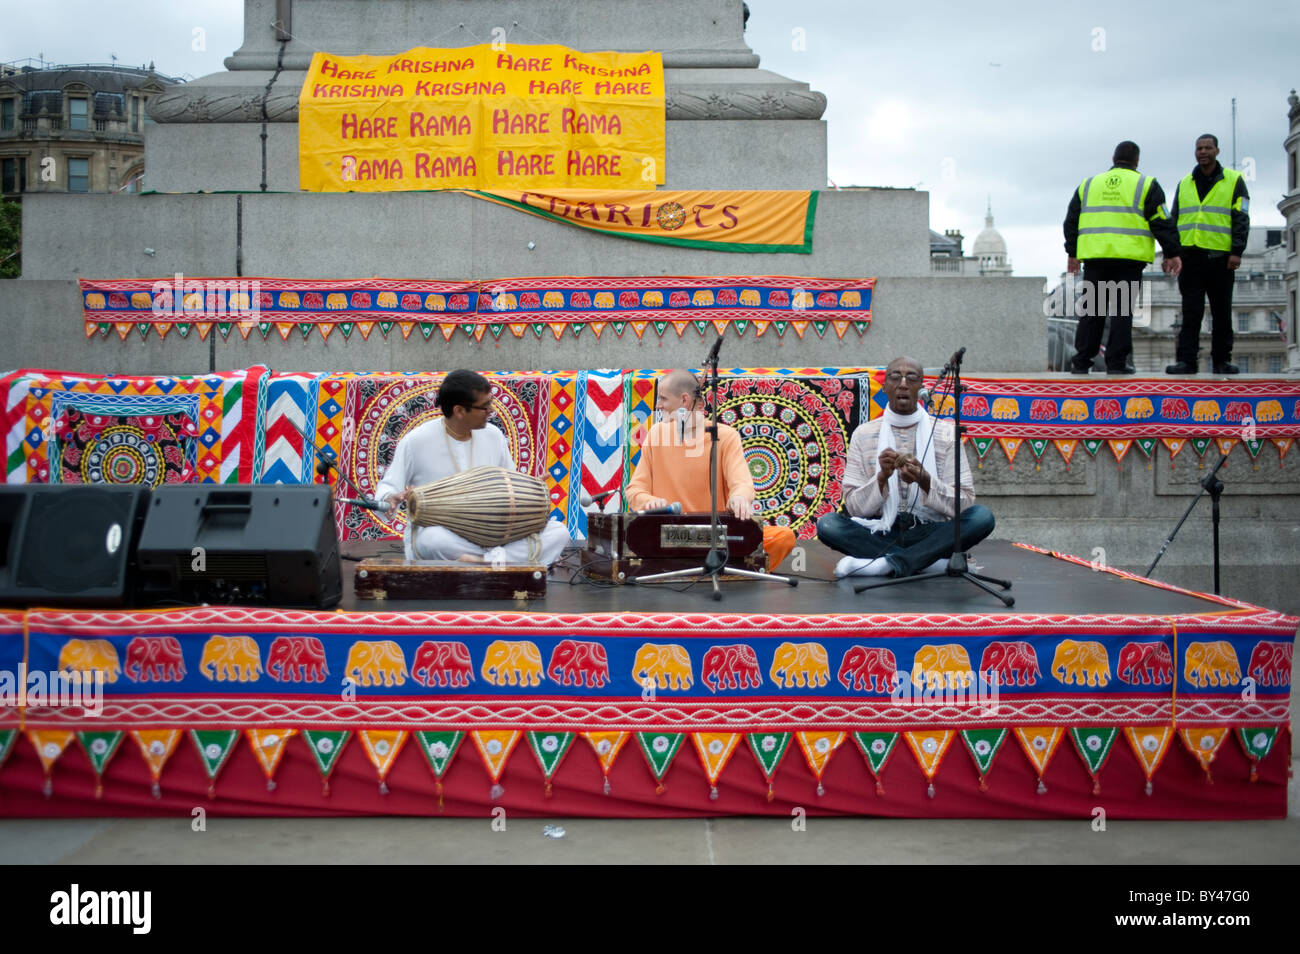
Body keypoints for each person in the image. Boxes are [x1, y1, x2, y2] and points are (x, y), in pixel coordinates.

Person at [816, 356, 995, 579]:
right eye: (895, 377)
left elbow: (966, 503)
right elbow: (854, 507)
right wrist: (881, 478)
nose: (902, 384)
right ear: (885, 387)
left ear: (921, 387)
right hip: (880, 530)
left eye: (911, 378)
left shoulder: (946, 433)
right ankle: (925, 563)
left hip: (929, 531)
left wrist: (926, 481)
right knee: (828, 525)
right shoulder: (863, 434)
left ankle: (886, 563)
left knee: (982, 517)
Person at [376, 369, 570, 565]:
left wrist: (529, 489)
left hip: (493, 535)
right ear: (459, 411)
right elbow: (388, 486)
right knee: (432, 540)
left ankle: (481, 561)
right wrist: (388, 499)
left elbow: (510, 484)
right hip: (448, 535)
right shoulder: (416, 441)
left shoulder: (493, 436)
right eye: (485, 407)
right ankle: (504, 561)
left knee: (558, 532)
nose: (491, 411)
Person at [625, 369, 797, 568]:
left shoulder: (725, 436)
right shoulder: (656, 434)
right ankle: (722, 571)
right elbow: (635, 490)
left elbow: (742, 483)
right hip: (668, 533)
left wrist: (739, 497)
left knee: (783, 537)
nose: (657, 405)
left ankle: (709, 569)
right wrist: (651, 502)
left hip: (714, 536)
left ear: (684, 400)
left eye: (663, 399)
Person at [1063, 140, 1182, 374]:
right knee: (1121, 313)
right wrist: (1171, 252)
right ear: (1137, 161)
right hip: (1128, 259)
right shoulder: (1146, 185)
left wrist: (1072, 252)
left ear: (1113, 159)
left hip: (1096, 257)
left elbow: (1071, 220)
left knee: (1092, 311)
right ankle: (1116, 364)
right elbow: (1162, 221)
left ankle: (1081, 361)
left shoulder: (1089, 185)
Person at [1165, 133, 1250, 375]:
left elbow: (1241, 217)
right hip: (1190, 258)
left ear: (1217, 151)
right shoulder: (1184, 183)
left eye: (1208, 148)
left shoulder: (1235, 181)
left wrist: (1237, 251)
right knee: (1190, 312)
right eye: (1199, 148)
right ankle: (1186, 361)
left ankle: (1222, 360)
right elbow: (1174, 219)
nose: (1203, 152)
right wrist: (1171, 252)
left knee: (1221, 311)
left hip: (1220, 258)